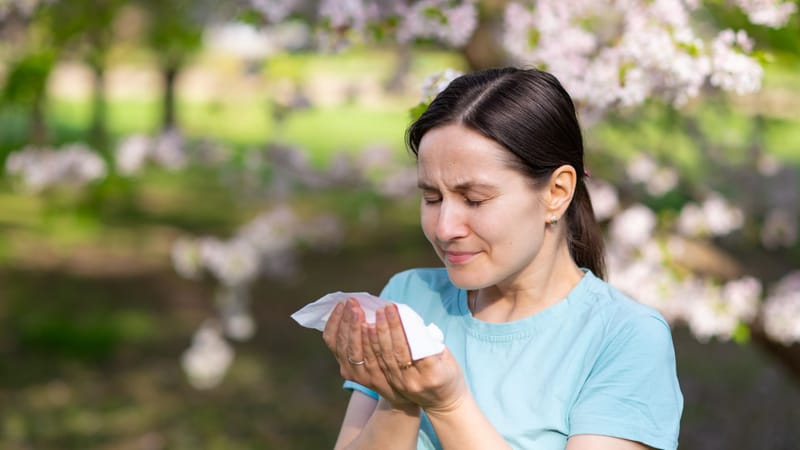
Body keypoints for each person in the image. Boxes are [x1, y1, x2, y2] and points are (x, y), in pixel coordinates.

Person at [322, 67, 683, 450]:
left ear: (557, 192)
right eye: (431, 198)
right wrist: (397, 401)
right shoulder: (409, 299)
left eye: (474, 199)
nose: (445, 228)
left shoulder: (625, 337)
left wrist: (449, 405)